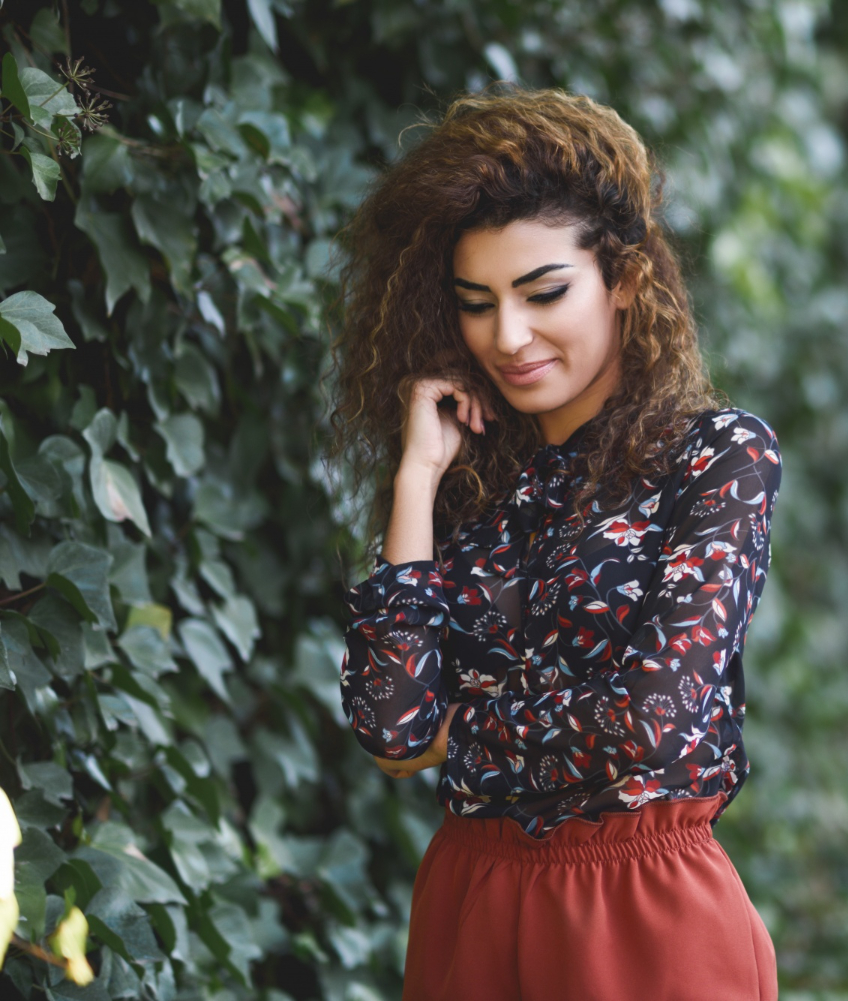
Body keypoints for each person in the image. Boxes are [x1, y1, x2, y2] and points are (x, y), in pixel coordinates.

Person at [328, 86, 781, 1001]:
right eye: (477, 302)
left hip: (644, 908)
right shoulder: (466, 480)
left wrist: (474, 732)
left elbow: (651, 724)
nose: (509, 335)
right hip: (471, 898)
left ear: (623, 279)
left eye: (544, 293)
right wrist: (417, 479)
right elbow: (393, 729)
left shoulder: (717, 456)